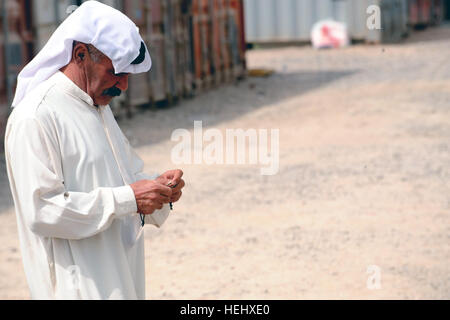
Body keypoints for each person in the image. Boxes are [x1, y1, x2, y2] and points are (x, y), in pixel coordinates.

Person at [4, 1, 185, 299]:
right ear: (80, 55)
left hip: (120, 277)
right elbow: (41, 211)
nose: (124, 86)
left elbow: (123, 178)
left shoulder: (96, 107)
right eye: (117, 72)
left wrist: (157, 188)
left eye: (129, 76)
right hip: (75, 288)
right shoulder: (36, 116)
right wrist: (129, 197)